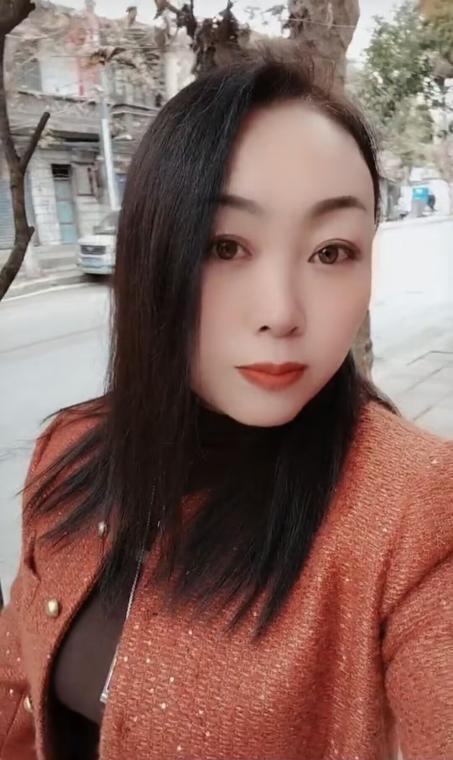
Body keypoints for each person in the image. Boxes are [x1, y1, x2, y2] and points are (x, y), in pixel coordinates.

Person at [1, 52, 452, 760]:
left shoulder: (417, 507)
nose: (281, 313)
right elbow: (17, 687)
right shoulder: (73, 447)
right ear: (151, 256)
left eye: (332, 252)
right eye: (225, 245)